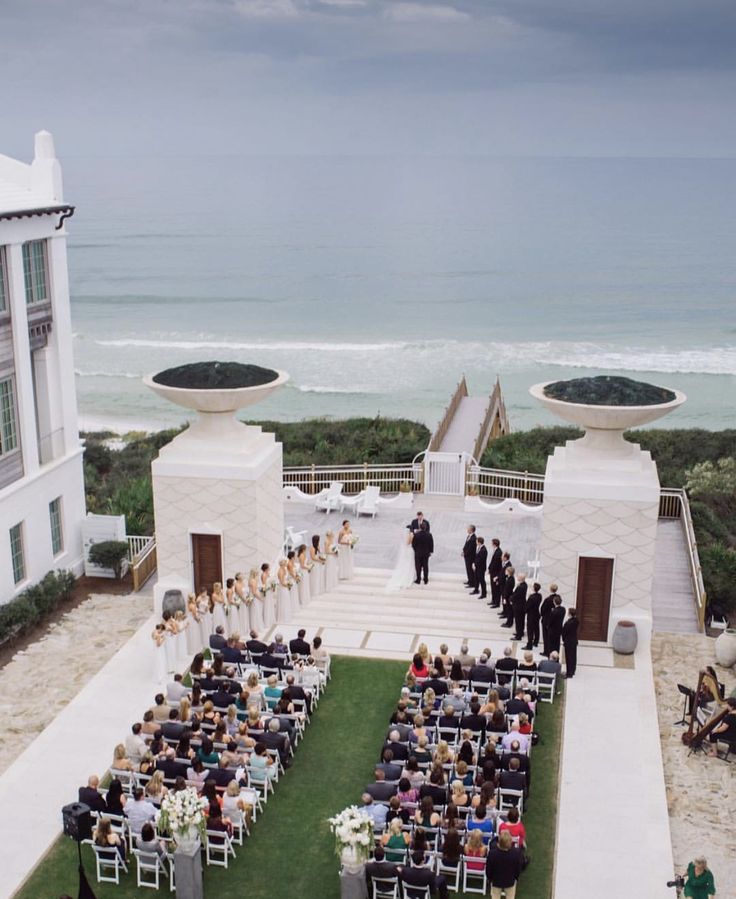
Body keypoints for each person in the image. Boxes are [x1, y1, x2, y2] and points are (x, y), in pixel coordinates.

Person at [485, 830, 523, 899]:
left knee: (495, 896)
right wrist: (516, 877)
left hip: (496, 880)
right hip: (509, 880)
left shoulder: (492, 854)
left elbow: (488, 869)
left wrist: (490, 878)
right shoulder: (516, 853)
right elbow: (518, 868)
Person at [540, 584, 561, 656]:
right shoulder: (558, 597)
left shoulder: (548, 599)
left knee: (546, 637)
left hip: (547, 620)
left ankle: (546, 651)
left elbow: (542, 609)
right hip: (556, 623)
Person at [524, 582, 542, 649]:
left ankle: (529, 645)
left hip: (531, 615)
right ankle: (536, 642)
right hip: (537, 614)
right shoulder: (539, 596)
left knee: (530, 630)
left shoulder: (531, 597)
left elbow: (527, 606)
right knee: (536, 629)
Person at [562, 606, 579, 678]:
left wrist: (563, 639)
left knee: (569, 657)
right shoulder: (576, 621)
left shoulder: (568, 623)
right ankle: (573, 670)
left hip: (568, 641)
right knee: (573, 656)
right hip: (574, 640)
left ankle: (569, 673)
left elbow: (564, 632)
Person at [511, 574, 528, 640]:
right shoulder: (525, 585)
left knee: (518, 621)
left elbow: (515, 595)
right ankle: (520, 632)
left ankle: (518, 635)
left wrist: (511, 599)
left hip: (518, 606)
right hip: (522, 605)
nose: (517, 577)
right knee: (521, 620)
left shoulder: (520, 587)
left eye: (518, 577)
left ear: (521, 578)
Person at [488, 538, 503, 607]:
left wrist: (491, 569)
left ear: (494, 544)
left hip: (495, 572)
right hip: (493, 572)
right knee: (493, 587)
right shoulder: (496, 551)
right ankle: (493, 600)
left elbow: (496, 563)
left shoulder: (498, 552)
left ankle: (496, 602)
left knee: (496, 588)